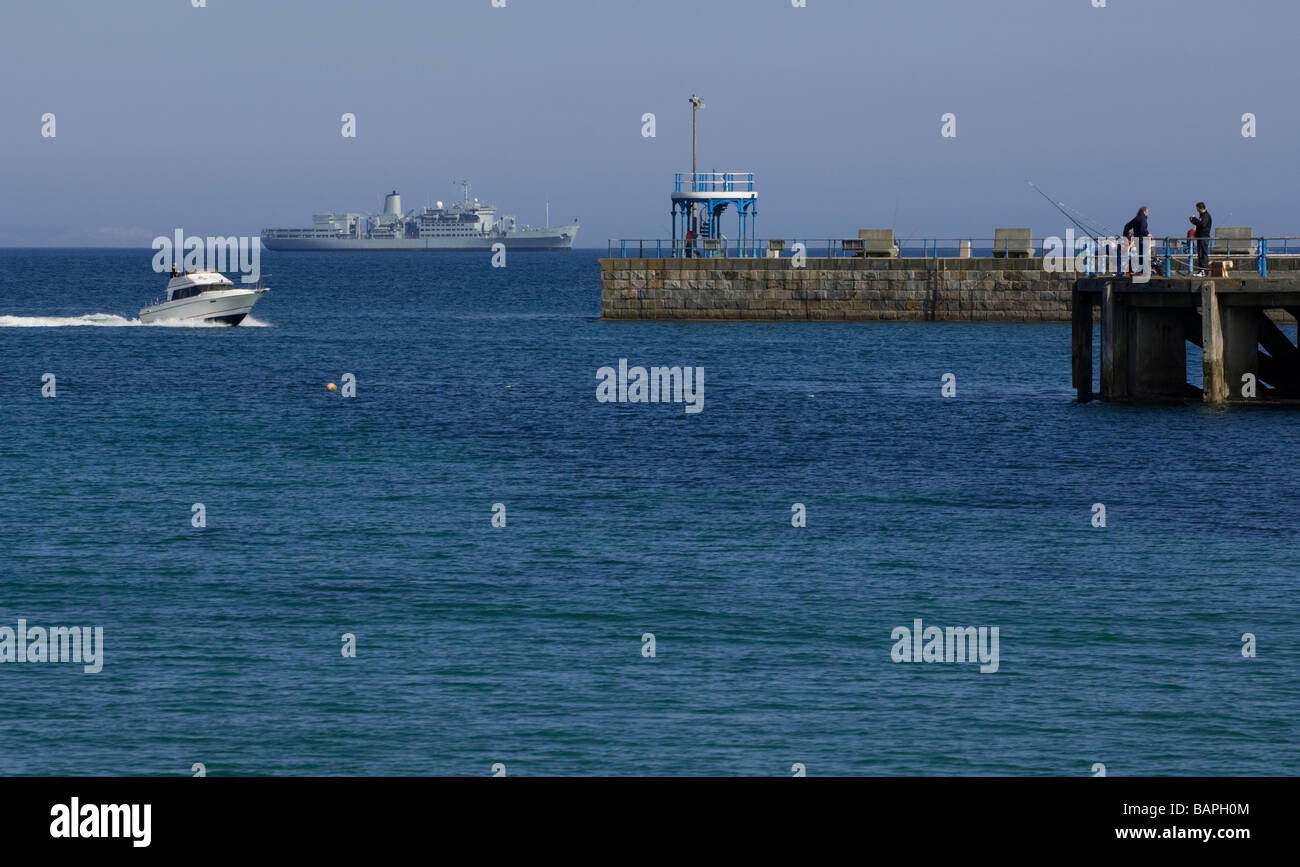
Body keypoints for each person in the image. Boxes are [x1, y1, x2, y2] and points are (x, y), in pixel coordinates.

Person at [1122, 206, 1150, 276]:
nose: (1148, 213)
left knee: (1139, 255)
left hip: (1137, 239)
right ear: (1144, 211)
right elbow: (1143, 229)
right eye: (1147, 211)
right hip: (1143, 239)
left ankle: (1139, 271)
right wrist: (1148, 234)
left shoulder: (1136, 218)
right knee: (1145, 255)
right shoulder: (1143, 219)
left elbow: (1127, 226)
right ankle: (1145, 272)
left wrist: (1125, 235)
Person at [1189, 202, 1212, 275]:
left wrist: (1194, 219)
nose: (1197, 210)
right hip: (1200, 237)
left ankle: (1204, 271)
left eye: (1197, 208)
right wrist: (1193, 220)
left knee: (1203, 254)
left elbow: (1202, 225)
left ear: (1200, 208)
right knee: (1200, 254)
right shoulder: (1201, 215)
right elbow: (1199, 224)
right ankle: (1200, 270)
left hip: (1204, 237)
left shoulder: (1206, 216)